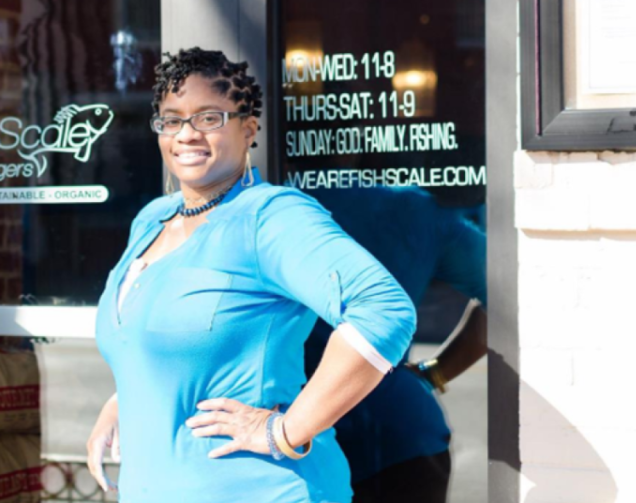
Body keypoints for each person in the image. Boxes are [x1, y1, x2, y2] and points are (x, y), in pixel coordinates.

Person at [85, 47, 417, 503]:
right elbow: (157, 336)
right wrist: (127, 397)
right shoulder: (152, 219)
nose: (187, 134)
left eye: (208, 118)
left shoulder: (269, 217)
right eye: (172, 118)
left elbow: (384, 310)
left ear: (249, 128)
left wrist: (286, 431)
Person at [304, 186, 487, 503]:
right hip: (399, 436)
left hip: (300, 440)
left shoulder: (264, 209)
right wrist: (435, 373)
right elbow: (511, 281)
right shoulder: (415, 210)